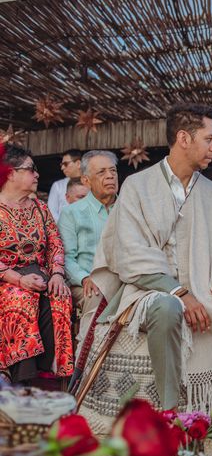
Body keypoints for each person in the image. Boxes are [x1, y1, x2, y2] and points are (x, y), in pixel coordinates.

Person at [79, 104, 212, 435]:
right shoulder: (138, 186)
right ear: (184, 138)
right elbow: (128, 253)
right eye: (210, 138)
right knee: (168, 308)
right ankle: (172, 414)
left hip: (202, 288)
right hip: (146, 289)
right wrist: (177, 291)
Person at [0, 144, 73, 384]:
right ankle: (21, 377)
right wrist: (17, 278)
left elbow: (55, 245)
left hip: (40, 274)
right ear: (11, 173)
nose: (37, 175)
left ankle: (54, 371)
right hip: (6, 278)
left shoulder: (41, 209)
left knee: (59, 296)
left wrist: (57, 275)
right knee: (19, 297)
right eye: (31, 169)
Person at [58, 150, 118, 350]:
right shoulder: (71, 213)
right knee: (96, 294)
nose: (110, 176)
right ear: (86, 180)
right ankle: (86, 363)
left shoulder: (129, 209)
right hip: (86, 282)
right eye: (101, 172)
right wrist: (84, 278)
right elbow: (66, 257)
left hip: (124, 279)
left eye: (113, 170)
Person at [48, 149, 82, 221]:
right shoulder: (58, 186)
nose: (62, 168)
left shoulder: (91, 183)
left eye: (66, 164)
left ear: (78, 164)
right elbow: (51, 212)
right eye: (61, 165)